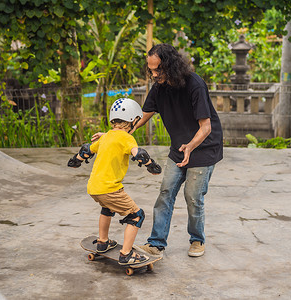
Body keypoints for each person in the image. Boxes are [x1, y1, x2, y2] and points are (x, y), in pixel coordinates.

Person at [132, 43, 223, 257]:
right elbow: (145, 115)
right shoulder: (159, 87)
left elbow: (206, 127)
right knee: (166, 192)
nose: (154, 74)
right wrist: (119, 132)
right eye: (151, 70)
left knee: (192, 195)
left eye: (158, 70)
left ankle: (197, 240)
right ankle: (156, 243)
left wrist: (191, 146)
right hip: (178, 148)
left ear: (171, 66)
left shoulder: (195, 84)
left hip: (203, 148)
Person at [68, 98, 162, 265]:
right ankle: (126, 254)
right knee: (136, 215)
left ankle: (103, 242)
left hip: (93, 187)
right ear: (134, 120)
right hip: (110, 189)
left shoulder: (105, 137)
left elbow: (85, 151)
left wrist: (76, 160)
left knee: (107, 207)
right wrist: (151, 166)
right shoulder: (126, 139)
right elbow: (139, 154)